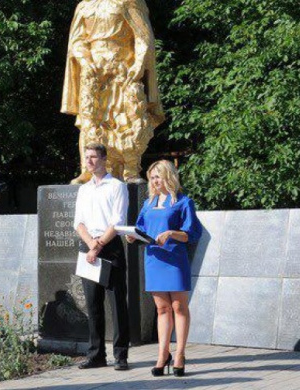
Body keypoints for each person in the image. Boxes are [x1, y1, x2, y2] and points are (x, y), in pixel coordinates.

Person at [61, 0, 164, 184]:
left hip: (122, 70)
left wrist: (139, 65)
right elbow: (77, 41)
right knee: (90, 121)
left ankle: (130, 170)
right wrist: (85, 61)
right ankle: (88, 170)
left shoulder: (129, 1)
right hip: (93, 74)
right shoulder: (85, 6)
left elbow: (143, 36)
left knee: (127, 118)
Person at [127, 160, 201, 377]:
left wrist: (171, 233)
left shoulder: (183, 202)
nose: (154, 181)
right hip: (153, 259)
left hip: (175, 259)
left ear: (168, 176)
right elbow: (141, 228)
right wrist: (132, 236)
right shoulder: (148, 203)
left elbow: (192, 233)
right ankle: (162, 355)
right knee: (161, 309)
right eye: (152, 177)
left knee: (179, 307)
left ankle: (179, 354)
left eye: (158, 176)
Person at [72, 142, 130, 370]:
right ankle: (96, 355)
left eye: (94, 157)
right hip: (89, 246)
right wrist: (90, 245)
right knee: (93, 303)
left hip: (110, 245)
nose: (89, 161)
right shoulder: (83, 189)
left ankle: (121, 355)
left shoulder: (117, 186)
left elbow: (118, 221)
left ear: (104, 159)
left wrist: (98, 246)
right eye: (87, 157)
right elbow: (78, 222)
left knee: (117, 303)